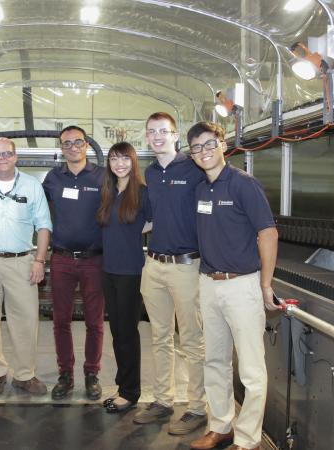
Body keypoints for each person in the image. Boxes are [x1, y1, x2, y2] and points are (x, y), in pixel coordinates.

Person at [187, 122, 279, 450]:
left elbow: (267, 233)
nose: (204, 151)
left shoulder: (243, 185)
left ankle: (249, 438)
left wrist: (265, 284)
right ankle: (221, 426)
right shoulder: (200, 189)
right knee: (214, 361)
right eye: (197, 147)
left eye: (209, 144)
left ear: (223, 144)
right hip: (209, 284)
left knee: (251, 370)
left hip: (242, 286)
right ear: (192, 154)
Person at [133, 112, 207, 436]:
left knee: (192, 339)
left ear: (175, 135)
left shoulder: (193, 169)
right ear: (147, 138)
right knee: (159, 336)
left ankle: (197, 408)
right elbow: (149, 219)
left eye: (164, 131)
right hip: (155, 264)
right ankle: (163, 401)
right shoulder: (150, 173)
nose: (158, 136)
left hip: (187, 267)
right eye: (152, 132)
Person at [0, 137, 52, 396]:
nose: (1, 158)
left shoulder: (32, 185)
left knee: (26, 320)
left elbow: (44, 225)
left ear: (16, 157)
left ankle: (25, 375)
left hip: (21, 261)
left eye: (7, 154)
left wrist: (39, 260)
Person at [42, 125, 105, 401]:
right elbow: (38, 213)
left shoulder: (104, 176)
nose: (72, 147)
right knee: (61, 321)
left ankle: (92, 373)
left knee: (95, 322)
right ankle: (65, 374)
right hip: (62, 259)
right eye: (66, 143)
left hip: (95, 260)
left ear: (87, 145)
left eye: (78, 142)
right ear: (61, 148)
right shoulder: (53, 178)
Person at [96, 142, 147, 413]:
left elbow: (155, 222)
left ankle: (130, 392)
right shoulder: (109, 192)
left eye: (125, 159)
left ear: (133, 162)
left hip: (130, 272)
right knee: (117, 332)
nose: (120, 164)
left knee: (127, 332)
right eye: (114, 159)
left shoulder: (142, 193)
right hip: (109, 271)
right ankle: (123, 384)